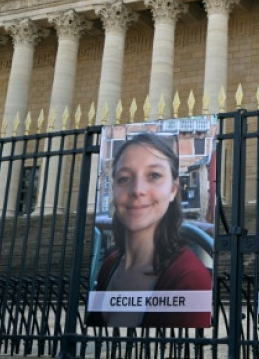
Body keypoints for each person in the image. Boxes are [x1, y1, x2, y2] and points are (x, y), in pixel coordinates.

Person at [88, 133, 212, 328]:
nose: (137, 189)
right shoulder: (109, 264)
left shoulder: (190, 277)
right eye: (124, 178)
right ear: (114, 190)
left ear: (173, 190)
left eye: (154, 175)